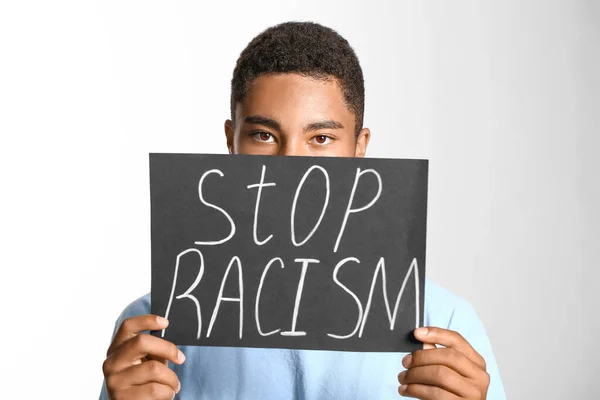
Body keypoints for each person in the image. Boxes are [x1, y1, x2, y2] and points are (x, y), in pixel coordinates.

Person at [100, 21, 506, 399]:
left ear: (359, 148)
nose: (291, 163)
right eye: (263, 135)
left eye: (321, 137)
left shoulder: (442, 324)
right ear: (231, 141)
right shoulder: (154, 330)